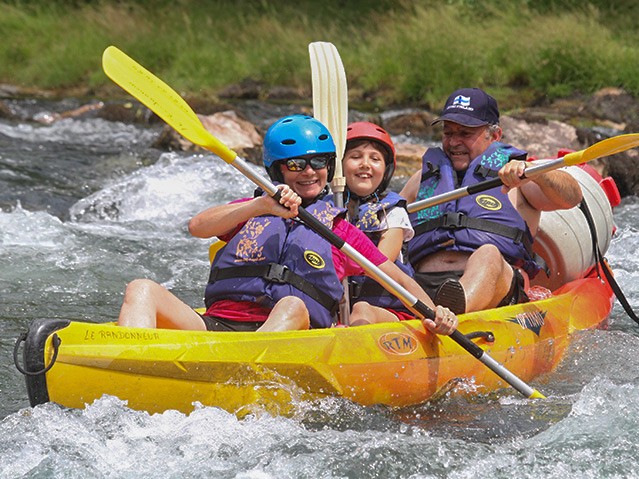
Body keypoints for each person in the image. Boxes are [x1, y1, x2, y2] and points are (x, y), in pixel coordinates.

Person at [118, 115, 458, 335]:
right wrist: (261, 205)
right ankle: (125, 366)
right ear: (278, 170)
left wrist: (434, 311)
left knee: (292, 305)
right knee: (141, 288)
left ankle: (242, 373)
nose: (308, 172)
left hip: (286, 338)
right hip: (217, 325)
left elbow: (395, 278)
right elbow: (198, 226)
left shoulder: (338, 228)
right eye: (296, 164)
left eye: (317, 163)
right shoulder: (252, 209)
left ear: (328, 167)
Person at [400, 88, 583, 315]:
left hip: (496, 289)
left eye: (465, 134)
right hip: (422, 288)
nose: (454, 142)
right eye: (448, 133)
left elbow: (572, 197)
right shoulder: (422, 179)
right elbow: (386, 227)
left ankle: (456, 310)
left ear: (495, 135)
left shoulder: (519, 177)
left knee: (488, 254)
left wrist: (536, 172)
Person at [326, 121, 415, 326]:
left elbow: (380, 265)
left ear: (386, 170)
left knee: (361, 309)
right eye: (356, 157)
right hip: (336, 311)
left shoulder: (392, 212)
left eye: (375, 159)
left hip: (385, 311)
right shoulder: (324, 209)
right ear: (339, 166)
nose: (365, 164)